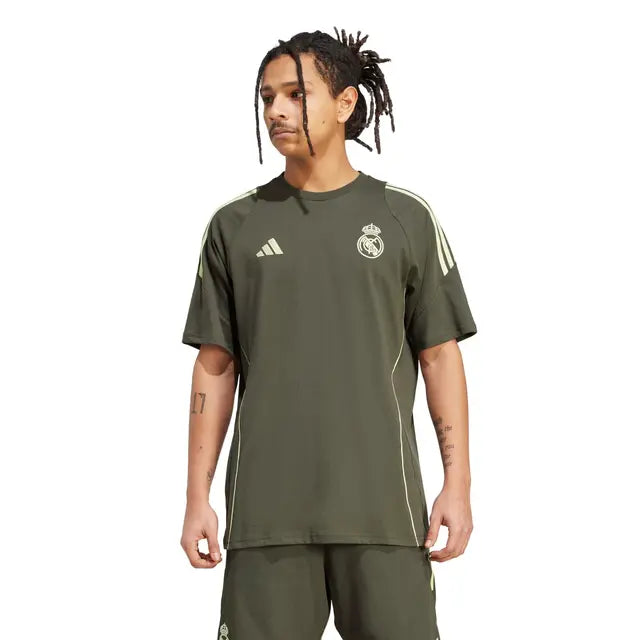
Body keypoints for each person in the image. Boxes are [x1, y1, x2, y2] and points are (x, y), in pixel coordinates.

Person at [180, 27, 477, 640]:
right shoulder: (234, 226)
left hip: (385, 512)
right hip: (266, 517)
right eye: (267, 97)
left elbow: (439, 356)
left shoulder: (405, 218)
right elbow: (215, 364)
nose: (276, 111)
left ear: (345, 103)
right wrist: (196, 496)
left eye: (296, 94)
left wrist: (458, 485)